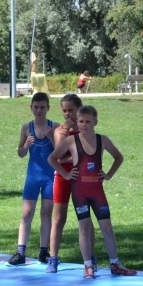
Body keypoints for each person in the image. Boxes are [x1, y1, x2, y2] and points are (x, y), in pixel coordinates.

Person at [49, 106, 136, 278]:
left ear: (96, 122)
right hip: (80, 192)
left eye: (88, 121)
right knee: (84, 228)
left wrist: (109, 174)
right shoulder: (71, 141)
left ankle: (115, 263)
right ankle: (87, 265)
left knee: (107, 227)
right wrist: (65, 174)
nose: (84, 125)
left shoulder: (102, 140)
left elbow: (119, 157)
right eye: (81, 121)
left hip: (97, 191)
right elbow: (52, 158)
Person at [47, 94, 95, 273]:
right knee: (58, 218)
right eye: (64, 111)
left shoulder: (86, 129)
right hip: (63, 175)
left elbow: (89, 152)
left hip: (82, 177)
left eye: (71, 110)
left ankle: (90, 257)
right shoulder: (59, 130)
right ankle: (53, 257)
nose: (67, 114)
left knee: (86, 219)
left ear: (79, 109)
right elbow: (57, 155)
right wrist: (65, 172)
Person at [7, 92, 56, 266]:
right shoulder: (26, 128)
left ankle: (44, 252)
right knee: (27, 213)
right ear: (31, 108)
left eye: (42, 107)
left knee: (46, 213)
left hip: (50, 176)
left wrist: (52, 138)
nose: (39, 110)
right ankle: (20, 252)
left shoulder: (54, 127)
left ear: (48, 108)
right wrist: (25, 146)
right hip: (33, 176)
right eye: (36, 107)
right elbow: (20, 153)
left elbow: (60, 152)